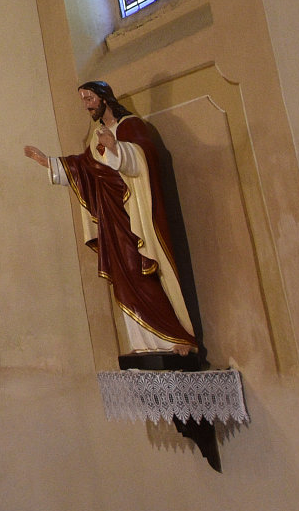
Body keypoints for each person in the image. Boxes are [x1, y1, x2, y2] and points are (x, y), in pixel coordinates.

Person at [24, 82, 200, 357]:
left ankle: (173, 336)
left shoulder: (130, 126)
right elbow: (84, 167)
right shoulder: (97, 137)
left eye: (90, 98)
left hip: (133, 217)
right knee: (123, 276)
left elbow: (144, 158)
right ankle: (142, 342)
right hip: (110, 220)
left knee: (141, 270)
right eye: (84, 100)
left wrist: (117, 147)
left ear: (105, 98)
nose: (87, 105)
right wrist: (50, 163)